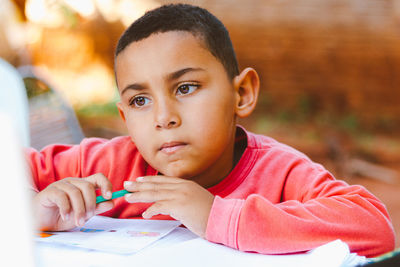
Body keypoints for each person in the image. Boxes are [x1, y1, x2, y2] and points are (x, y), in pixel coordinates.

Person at [28, 4, 395, 257]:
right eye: (141, 101)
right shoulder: (108, 166)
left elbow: (374, 227)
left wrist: (218, 217)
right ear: (125, 119)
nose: (164, 117)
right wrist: (29, 208)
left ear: (242, 93)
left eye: (185, 88)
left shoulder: (278, 174)